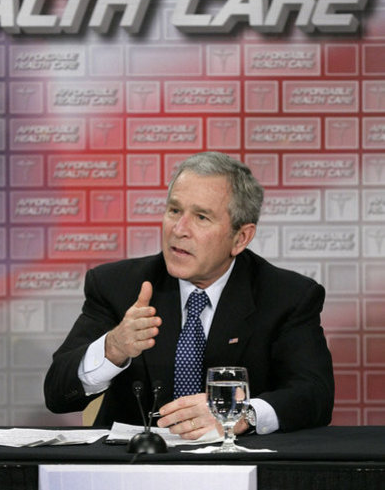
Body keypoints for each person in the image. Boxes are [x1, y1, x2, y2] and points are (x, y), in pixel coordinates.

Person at [44, 151, 334, 438]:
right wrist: (113, 348)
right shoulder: (118, 286)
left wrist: (241, 413)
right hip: (137, 466)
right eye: (174, 211)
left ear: (240, 237)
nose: (179, 230)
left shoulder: (286, 296)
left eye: (202, 217)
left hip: (237, 467)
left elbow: (314, 394)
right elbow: (57, 394)